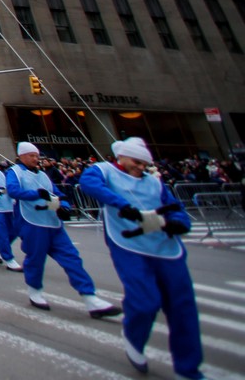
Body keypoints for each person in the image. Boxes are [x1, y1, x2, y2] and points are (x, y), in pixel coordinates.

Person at [79, 138, 203, 379]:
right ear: (122, 157)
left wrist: (179, 224)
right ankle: (133, 336)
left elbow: (175, 207)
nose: (140, 167)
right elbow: (88, 184)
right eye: (136, 161)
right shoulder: (103, 170)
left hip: (166, 248)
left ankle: (188, 369)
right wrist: (122, 204)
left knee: (183, 308)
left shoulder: (154, 182)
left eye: (145, 163)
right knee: (145, 301)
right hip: (130, 246)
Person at [7, 142, 120, 316]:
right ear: (21, 156)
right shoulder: (14, 172)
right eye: (31, 155)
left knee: (72, 258)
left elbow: (56, 192)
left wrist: (64, 204)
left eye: (37, 156)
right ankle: (34, 290)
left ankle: (90, 298)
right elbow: (13, 191)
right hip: (32, 223)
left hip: (53, 223)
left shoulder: (43, 175)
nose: (35, 159)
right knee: (35, 259)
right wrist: (36, 194)